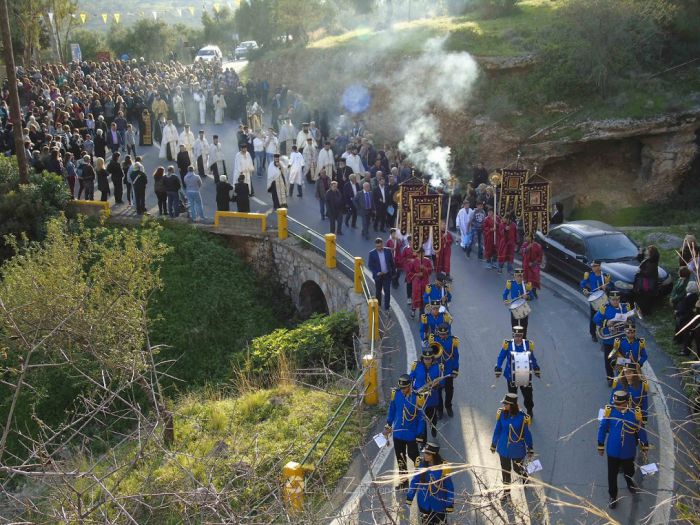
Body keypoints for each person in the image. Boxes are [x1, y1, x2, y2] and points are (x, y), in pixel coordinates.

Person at [597, 390, 649, 508]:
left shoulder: (635, 414)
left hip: (628, 450)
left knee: (629, 471)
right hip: (613, 450)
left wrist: (645, 445)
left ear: (627, 403)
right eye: (616, 404)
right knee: (612, 475)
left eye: (620, 404)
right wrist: (600, 445)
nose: (618, 406)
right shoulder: (610, 412)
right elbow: (603, 428)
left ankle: (629, 483)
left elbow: (641, 430)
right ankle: (613, 496)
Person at [383, 374, 426, 490]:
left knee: (414, 457)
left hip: (411, 434)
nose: (403, 390)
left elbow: (421, 418)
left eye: (405, 388)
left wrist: (420, 433)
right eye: (401, 388)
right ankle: (404, 481)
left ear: (410, 385)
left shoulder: (418, 397)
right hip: (398, 433)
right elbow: (392, 410)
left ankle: (422, 477)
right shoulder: (395, 394)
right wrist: (388, 424)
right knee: (400, 458)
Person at [490, 393, 533, 502]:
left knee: (518, 468)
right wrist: (494, 444)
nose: (504, 405)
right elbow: (497, 429)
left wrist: (530, 447)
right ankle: (506, 493)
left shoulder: (522, 417)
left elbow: (526, 433)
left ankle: (526, 476)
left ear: (512, 405)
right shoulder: (501, 414)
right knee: (505, 471)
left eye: (506, 403)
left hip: (517, 448)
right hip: (503, 448)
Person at [494, 326, 540, 418]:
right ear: (513, 335)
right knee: (512, 396)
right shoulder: (508, 344)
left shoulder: (528, 344)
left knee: (528, 395)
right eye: (516, 335)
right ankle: (513, 411)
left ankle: (529, 410)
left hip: (525, 375)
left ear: (522, 335)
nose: (518, 338)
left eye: (520, 335)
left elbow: (532, 357)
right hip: (511, 376)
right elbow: (501, 356)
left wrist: (536, 368)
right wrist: (498, 367)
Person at [406, 442, 455, 524]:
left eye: (428, 454)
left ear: (434, 456)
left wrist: (449, 503)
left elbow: (449, 486)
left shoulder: (444, 467)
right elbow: (415, 481)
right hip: (424, 502)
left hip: (439, 503)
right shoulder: (420, 463)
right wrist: (410, 496)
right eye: (425, 452)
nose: (425, 455)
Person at [594, 291, 633, 385]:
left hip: (623, 338)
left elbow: (633, 320)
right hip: (609, 340)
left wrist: (628, 322)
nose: (616, 301)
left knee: (624, 359)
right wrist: (606, 322)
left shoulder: (625, 307)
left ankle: (624, 377)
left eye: (617, 299)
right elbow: (596, 319)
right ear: (609, 299)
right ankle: (610, 378)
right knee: (608, 360)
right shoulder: (604, 308)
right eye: (613, 300)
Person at [410, 344, 444, 440]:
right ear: (423, 358)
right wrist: (410, 387)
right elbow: (411, 377)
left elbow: (442, 381)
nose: (427, 360)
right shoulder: (417, 365)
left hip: (432, 397)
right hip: (419, 396)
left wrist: (438, 384)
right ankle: (422, 440)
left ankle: (433, 427)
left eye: (429, 358)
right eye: (425, 358)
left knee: (432, 416)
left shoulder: (438, 367)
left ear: (432, 358)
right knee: (421, 419)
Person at [431, 323, 459, 419]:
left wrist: (456, 368)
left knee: (449, 389)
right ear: (438, 333)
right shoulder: (434, 339)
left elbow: (456, 356)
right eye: (441, 334)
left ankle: (448, 406)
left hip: (448, 369)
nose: (442, 336)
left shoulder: (452, 341)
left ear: (448, 333)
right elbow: (430, 356)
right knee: (437, 390)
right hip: (437, 370)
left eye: (444, 334)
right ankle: (439, 409)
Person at [580, 260, 612, 342]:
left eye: (595, 266)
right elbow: (582, 283)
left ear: (599, 267)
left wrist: (607, 286)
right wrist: (585, 289)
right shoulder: (589, 275)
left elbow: (611, 286)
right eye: (592, 266)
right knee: (593, 318)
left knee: (606, 317)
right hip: (594, 298)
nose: (593, 267)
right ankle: (593, 334)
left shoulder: (605, 276)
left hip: (604, 299)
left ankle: (605, 334)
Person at [502, 268, 534, 338]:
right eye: (517, 276)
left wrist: (527, 297)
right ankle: (515, 340)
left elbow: (532, 297)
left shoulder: (526, 285)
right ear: (514, 276)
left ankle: (523, 340)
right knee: (514, 326)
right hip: (514, 308)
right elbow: (505, 294)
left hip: (523, 307)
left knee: (524, 326)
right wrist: (505, 300)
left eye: (521, 276)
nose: (519, 278)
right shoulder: (510, 283)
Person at [368, 237, 395, 312]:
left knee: (387, 291)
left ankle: (387, 307)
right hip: (378, 276)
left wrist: (393, 272)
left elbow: (392, 262)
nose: (378, 248)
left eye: (379, 246)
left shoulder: (388, 251)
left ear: (382, 244)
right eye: (377, 246)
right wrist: (377, 272)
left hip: (387, 275)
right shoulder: (372, 253)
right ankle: (378, 305)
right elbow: (370, 265)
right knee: (378, 291)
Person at [674, 280, 700, 356]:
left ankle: (686, 351)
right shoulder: (693, 296)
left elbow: (685, 308)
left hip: (687, 319)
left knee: (687, 336)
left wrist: (678, 312)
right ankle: (686, 349)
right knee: (689, 336)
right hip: (689, 318)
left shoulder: (690, 297)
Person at [634, 245, 660, 316]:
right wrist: (640, 253)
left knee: (646, 297)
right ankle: (644, 311)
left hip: (648, 282)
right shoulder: (648, 259)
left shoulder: (652, 261)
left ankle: (646, 312)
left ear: (651, 252)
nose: (646, 251)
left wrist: (640, 271)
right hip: (646, 281)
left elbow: (649, 272)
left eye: (647, 250)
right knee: (643, 296)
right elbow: (639, 259)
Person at [408, 248, 433, 318]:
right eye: (420, 254)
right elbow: (410, 272)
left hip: (425, 282)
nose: (421, 255)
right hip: (416, 282)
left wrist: (425, 268)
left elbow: (430, 271)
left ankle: (421, 313)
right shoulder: (414, 261)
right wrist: (416, 274)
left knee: (424, 297)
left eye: (423, 253)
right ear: (417, 254)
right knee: (415, 296)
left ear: (424, 253)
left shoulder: (427, 261)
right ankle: (413, 311)